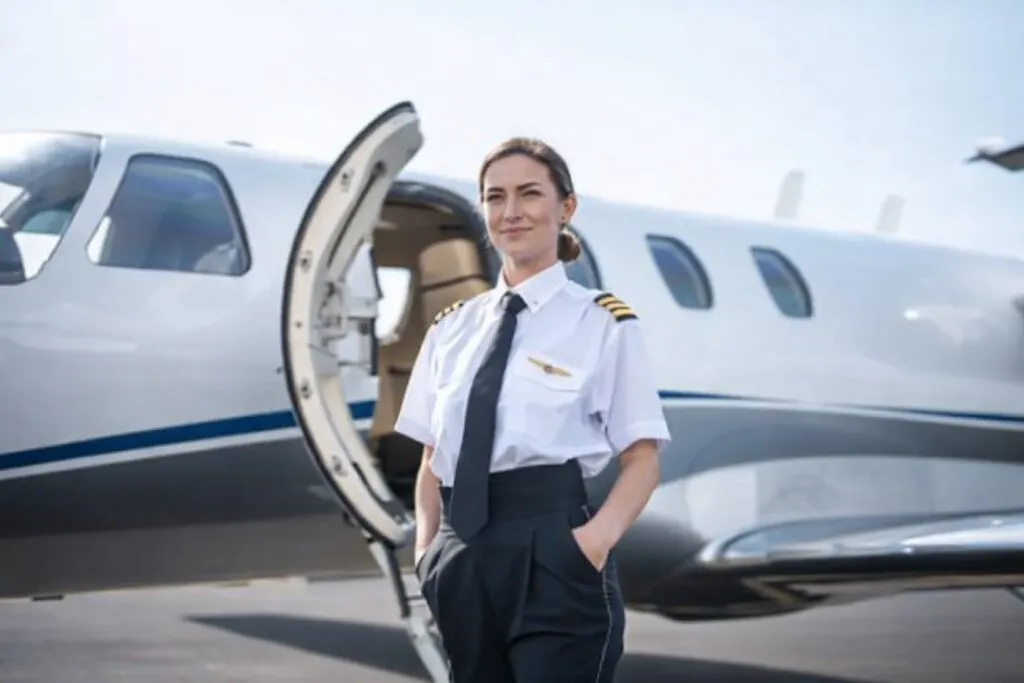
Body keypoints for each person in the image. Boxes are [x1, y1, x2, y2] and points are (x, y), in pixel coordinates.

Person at [393, 136, 671, 683]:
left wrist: (591, 546)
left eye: (529, 194)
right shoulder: (450, 328)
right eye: (495, 197)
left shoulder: (603, 322)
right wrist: (428, 551)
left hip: (555, 550)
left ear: (565, 208)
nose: (511, 211)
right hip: (461, 555)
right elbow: (432, 455)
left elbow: (642, 459)